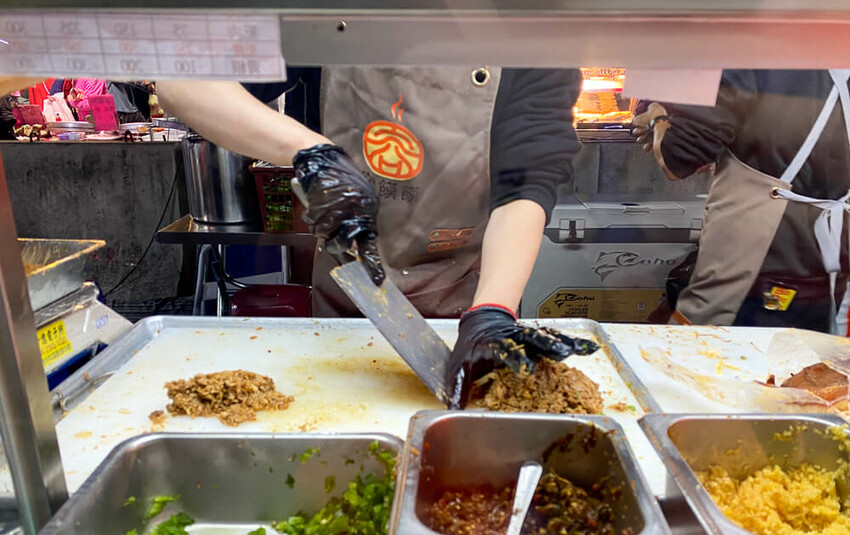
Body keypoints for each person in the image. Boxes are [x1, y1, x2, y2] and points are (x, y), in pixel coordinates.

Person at [158, 67, 596, 406]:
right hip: (347, 295)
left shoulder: (535, 21)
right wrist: (311, 151)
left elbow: (528, 178)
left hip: (469, 297)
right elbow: (183, 82)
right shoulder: (332, 10)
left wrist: (492, 311)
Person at [633, 70, 850, 334]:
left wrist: (657, 117)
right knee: (805, 357)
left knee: (715, 358)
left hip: (758, 260)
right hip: (831, 256)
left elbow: (680, 155)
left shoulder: (752, 46)